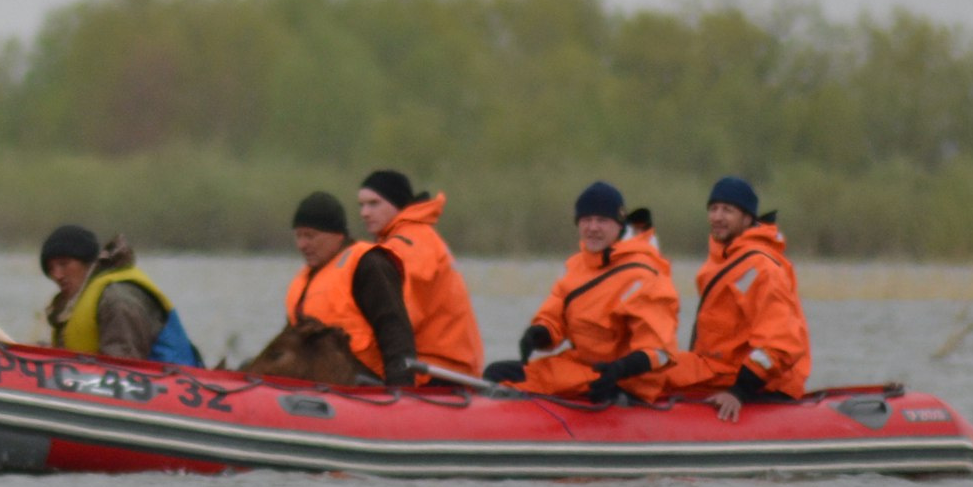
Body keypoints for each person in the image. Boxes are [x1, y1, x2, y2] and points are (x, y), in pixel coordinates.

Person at [481, 181, 680, 401]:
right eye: (586, 220)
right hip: (583, 368)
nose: (593, 227)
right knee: (497, 374)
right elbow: (554, 316)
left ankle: (619, 406)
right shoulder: (577, 266)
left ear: (620, 225)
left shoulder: (645, 275)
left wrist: (619, 370)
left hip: (629, 380)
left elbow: (660, 352)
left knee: (510, 381)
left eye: (602, 220)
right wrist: (540, 333)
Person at [657, 177, 812, 421]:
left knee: (649, 374)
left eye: (727, 210)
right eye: (713, 209)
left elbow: (781, 345)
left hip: (758, 380)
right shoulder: (722, 260)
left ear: (748, 218)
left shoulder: (761, 268)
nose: (717, 217)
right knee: (645, 365)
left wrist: (738, 391)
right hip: (718, 367)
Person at [283, 191, 424, 386]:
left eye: (310, 236)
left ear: (337, 235)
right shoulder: (302, 281)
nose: (302, 244)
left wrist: (400, 393)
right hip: (318, 389)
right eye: (298, 236)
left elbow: (395, 333)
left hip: (367, 387)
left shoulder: (368, 264)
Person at [355, 169, 484, 378]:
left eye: (374, 203)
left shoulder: (406, 246)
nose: (364, 213)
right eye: (361, 205)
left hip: (437, 370)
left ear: (396, 204)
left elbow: (397, 322)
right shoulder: (418, 236)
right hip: (453, 365)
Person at [39, 224, 201, 365]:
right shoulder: (72, 305)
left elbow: (124, 367)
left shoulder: (117, 298)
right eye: (51, 269)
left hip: (165, 390)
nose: (57, 275)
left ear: (87, 262)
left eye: (63, 264)